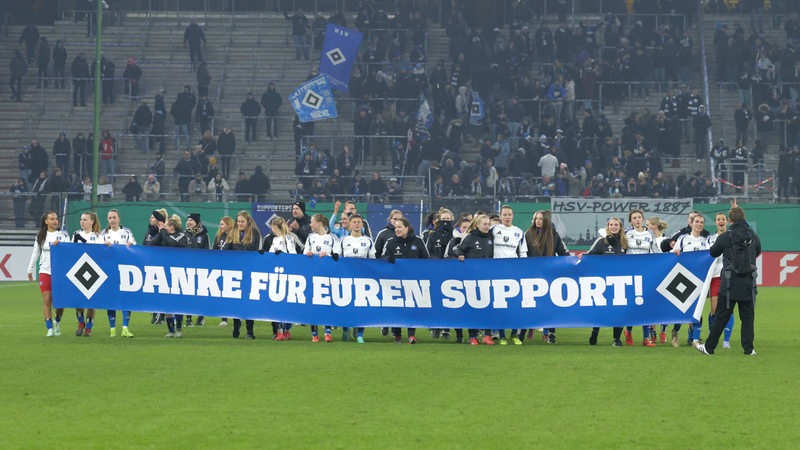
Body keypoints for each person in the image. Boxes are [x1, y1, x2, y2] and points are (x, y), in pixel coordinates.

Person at [698, 203, 761, 356]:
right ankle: (748, 349)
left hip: (729, 282)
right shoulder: (753, 236)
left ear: (730, 221)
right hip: (748, 283)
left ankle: (709, 347)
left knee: (721, 316)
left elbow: (713, 252)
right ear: (744, 218)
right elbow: (758, 251)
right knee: (747, 318)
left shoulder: (725, 237)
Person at [524, 210, 569, 345]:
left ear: (546, 221)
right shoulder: (528, 234)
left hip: (549, 275)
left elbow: (562, 252)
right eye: (536, 218)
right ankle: (530, 327)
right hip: (532, 274)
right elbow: (522, 253)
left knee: (550, 304)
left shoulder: (554, 235)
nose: (538, 221)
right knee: (531, 304)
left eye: (541, 219)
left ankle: (548, 332)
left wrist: (572, 261)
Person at [381, 217, 429, 343]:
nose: (397, 229)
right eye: (396, 227)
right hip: (395, 282)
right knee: (397, 308)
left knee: (411, 308)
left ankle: (411, 335)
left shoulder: (418, 241)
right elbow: (382, 258)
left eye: (400, 227)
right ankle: (397, 335)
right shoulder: (391, 242)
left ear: (407, 228)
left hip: (413, 281)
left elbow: (426, 259)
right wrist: (388, 258)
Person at [451, 214, 495, 346]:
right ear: (477, 225)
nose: (487, 226)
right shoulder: (470, 238)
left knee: (488, 307)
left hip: (487, 278)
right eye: (484, 224)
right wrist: (460, 255)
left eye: (488, 224)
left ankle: (487, 336)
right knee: (473, 307)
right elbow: (456, 248)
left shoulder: (491, 238)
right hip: (472, 278)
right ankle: (472, 336)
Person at [586, 217, 628, 346]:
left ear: (620, 227)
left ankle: (616, 339)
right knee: (601, 309)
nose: (614, 227)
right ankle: (595, 332)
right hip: (602, 282)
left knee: (619, 310)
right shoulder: (601, 242)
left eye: (616, 225)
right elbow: (589, 256)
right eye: (611, 225)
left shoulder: (625, 242)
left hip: (620, 282)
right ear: (607, 227)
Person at [27, 211, 70, 337]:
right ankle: (49, 327)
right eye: (51, 219)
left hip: (60, 272)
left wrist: (60, 246)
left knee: (60, 302)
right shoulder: (41, 235)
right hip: (45, 271)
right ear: (46, 221)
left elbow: (69, 252)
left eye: (56, 218)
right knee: (47, 299)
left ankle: (57, 321)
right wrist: (30, 269)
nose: (55, 221)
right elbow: (36, 252)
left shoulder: (64, 235)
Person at [260, 216, 302, 340]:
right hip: (275, 275)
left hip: (287, 275)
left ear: (275, 227)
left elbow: (293, 255)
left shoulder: (288, 239)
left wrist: (283, 256)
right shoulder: (274, 240)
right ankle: (279, 331)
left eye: (272, 227)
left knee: (286, 305)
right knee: (276, 304)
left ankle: (287, 329)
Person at [672, 213, 711, 348]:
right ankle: (675, 331)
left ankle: (693, 338)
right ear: (692, 223)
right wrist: (675, 252)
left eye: (701, 222)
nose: (699, 224)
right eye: (697, 222)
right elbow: (674, 253)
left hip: (698, 279)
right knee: (682, 309)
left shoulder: (705, 241)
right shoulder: (683, 238)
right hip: (682, 278)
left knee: (697, 309)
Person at [335, 214, 375, 343]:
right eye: (354, 222)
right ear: (350, 225)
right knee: (347, 305)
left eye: (359, 222)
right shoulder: (343, 240)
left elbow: (373, 260)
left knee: (362, 306)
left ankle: (360, 335)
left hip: (363, 279)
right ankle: (346, 329)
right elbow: (336, 258)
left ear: (362, 224)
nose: (357, 224)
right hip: (346, 278)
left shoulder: (368, 241)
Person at [491, 205, 528, 345]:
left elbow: (523, 253)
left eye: (509, 214)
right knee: (500, 304)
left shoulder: (519, 232)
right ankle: (501, 336)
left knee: (514, 304)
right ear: (500, 216)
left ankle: (514, 334)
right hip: (497, 271)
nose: (507, 217)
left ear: (513, 216)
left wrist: (522, 270)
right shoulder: (494, 229)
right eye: (504, 214)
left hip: (513, 272)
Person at [622, 209, 659, 347]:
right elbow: (621, 252)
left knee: (645, 304)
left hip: (645, 273)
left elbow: (656, 251)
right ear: (631, 220)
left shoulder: (649, 233)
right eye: (634, 217)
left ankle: (646, 338)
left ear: (642, 219)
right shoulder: (626, 233)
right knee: (633, 303)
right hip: (630, 273)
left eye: (639, 217)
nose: (637, 219)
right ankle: (629, 331)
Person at [225, 211, 262, 339]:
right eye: (238, 221)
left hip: (248, 274)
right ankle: (236, 327)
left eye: (242, 221)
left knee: (247, 303)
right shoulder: (232, 233)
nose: (240, 224)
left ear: (248, 222)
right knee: (234, 303)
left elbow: (256, 253)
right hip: (234, 274)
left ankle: (250, 331)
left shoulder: (255, 234)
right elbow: (225, 251)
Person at [303, 214, 339, 342]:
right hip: (312, 276)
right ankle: (314, 333)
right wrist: (308, 254)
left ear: (319, 223)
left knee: (326, 303)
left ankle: (327, 331)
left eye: (312, 222)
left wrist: (328, 255)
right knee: (313, 303)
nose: (310, 224)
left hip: (327, 276)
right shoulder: (310, 238)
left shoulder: (332, 238)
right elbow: (304, 253)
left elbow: (338, 255)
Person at [101, 209, 136, 337]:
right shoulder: (104, 234)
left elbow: (134, 246)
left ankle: (125, 328)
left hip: (125, 271)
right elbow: (98, 251)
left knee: (125, 299)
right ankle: (112, 329)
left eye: (114, 217)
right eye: (110, 218)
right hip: (109, 271)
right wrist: (104, 246)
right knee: (111, 299)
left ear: (119, 218)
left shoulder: (126, 232)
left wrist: (130, 244)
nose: (112, 220)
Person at [706, 212, 736, 349]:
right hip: (715, 276)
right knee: (715, 311)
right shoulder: (710, 239)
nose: (721, 221)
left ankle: (726, 341)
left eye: (723, 219)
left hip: (730, 276)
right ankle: (713, 336)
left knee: (728, 309)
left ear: (728, 221)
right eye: (718, 219)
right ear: (715, 222)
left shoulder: (733, 236)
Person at [71, 211, 102, 336]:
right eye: (81, 219)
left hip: (93, 273)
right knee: (78, 301)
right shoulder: (76, 235)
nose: (82, 222)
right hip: (78, 271)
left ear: (92, 221)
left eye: (85, 219)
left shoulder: (98, 236)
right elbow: (70, 251)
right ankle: (80, 322)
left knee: (91, 302)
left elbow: (101, 253)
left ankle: (88, 327)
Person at [183, 213, 209, 327]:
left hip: (201, 270)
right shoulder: (184, 234)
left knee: (200, 294)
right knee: (188, 295)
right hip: (187, 269)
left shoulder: (204, 235)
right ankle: (188, 318)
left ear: (197, 222)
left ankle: (201, 317)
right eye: (188, 220)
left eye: (191, 220)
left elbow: (207, 252)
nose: (189, 222)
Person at [213, 216, 235, 327]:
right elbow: (214, 250)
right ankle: (224, 318)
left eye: (222, 224)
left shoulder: (234, 237)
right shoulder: (219, 236)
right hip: (220, 268)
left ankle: (236, 318)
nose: (220, 226)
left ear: (228, 225)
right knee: (221, 293)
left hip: (231, 269)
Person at [172, 85, 197, 149]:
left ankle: (185, 145)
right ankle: (183, 145)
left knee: (184, 134)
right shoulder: (177, 104)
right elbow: (172, 112)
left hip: (182, 120)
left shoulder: (189, 99)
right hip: (180, 120)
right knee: (182, 134)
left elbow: (194, 103)